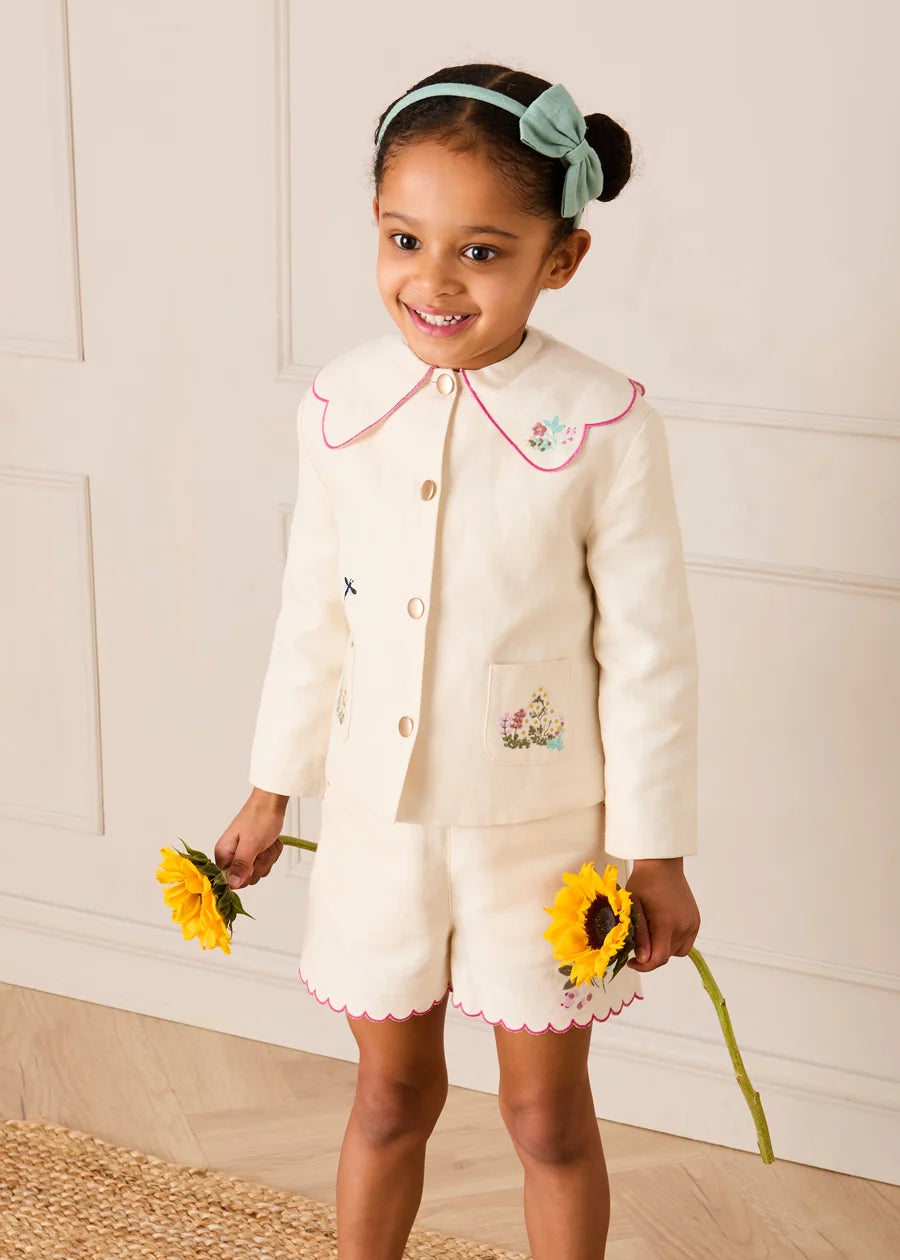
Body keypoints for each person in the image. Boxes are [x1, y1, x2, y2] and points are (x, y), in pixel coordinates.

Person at [215, 62, 702, 1260]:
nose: (433, 281)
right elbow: (313, 611)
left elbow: (649, 654)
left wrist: (658, 852)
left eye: (481, 252)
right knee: (389, 1097)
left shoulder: (605, 424)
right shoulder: (341, 405)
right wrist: (273, 787)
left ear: (561, 260)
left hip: (544, 845)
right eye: (404, 239)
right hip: (376, 831)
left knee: (546, 1119)